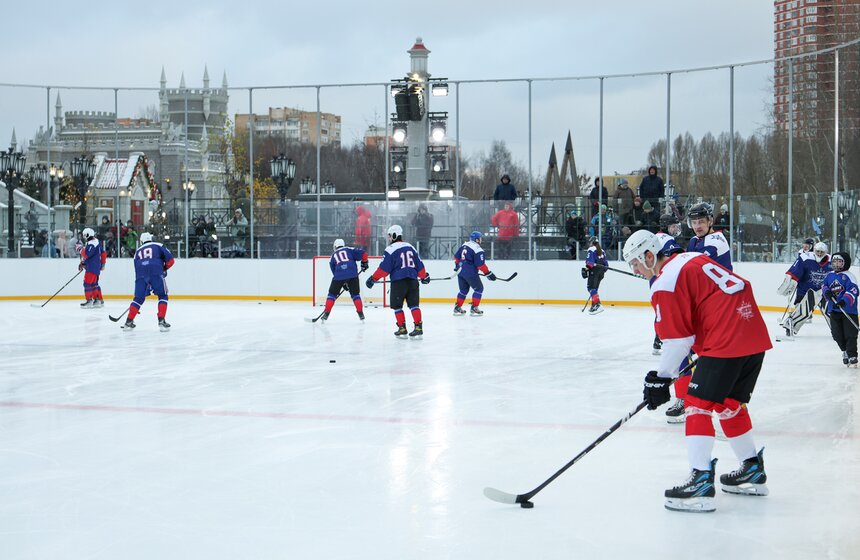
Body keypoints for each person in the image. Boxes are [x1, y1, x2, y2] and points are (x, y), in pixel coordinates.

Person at [623, 229, 772, 513]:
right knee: (728, 404)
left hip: (726, 339)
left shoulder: (664, 280)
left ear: (649, 256)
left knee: (696, 406)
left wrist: (660, 378)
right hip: (752, 334)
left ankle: (700, 480)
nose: (636, 271)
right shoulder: (691, 258)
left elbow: (677, 340)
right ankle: (751, 469)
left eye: (635, 264)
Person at [366, 225, 429, 338]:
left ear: (394, 235)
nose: (389, 238)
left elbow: (384, 269)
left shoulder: (390, 250)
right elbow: (419, 265)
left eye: (390, 236)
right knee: (414, 305)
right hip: (413, 281)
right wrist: (424, 276)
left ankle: (402, 328)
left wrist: (373, 278)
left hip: (398, 282)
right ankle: (418, 327)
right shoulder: (411, 247)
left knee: (397, 306)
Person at [777, 240, 832, 339]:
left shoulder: (831, 261)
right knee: (802, 311)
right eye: (817, 251)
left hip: (823, 290)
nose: (819, 254)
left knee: (831, 311)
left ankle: (839, 329)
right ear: (814, 250)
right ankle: (790, 327)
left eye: (822, 252)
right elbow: (795, 270)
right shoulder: (806, 257)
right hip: (806, 290)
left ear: (826, 252)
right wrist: (791, 279)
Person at [123, 232, 175, 332]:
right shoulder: (158, 245)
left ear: (142, 241)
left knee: (138, 299)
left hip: (141, 275)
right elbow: (171, 261)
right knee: (163, 296)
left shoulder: (137, 252)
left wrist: (146, 282)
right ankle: (161, 321)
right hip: (156, 272)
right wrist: (163, 269)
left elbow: (137, 269)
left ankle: (128, 322)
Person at [652, 214, 685, 357]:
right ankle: (663, 339)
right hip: (667, 280)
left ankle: (658, 341)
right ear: (666, 226)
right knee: (669, 309)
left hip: (656, 279)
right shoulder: (667, 239)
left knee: (661, 309)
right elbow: (679, 256)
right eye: (673, 226)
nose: (675, 229)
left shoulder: (654, 237)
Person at [822, 252, 859, 366]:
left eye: (839, 261)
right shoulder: (829, 275)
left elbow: (854, 290)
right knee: (836, 334)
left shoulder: (849, 276)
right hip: (834, 310)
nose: (836, 264)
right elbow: (824, 286)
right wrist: (827, 292)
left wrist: (844, 301)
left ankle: (852, 354)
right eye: (834, 261)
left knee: (850, 333)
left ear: (845, 263)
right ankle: (845, 351)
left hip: (848, 310)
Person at [320, 238, 369, 322]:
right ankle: (361, 314)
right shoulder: (350, 250)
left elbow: (334, 272)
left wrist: (342, 283)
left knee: (332, 294)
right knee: (355, 295)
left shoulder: (332, 256)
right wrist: (364, 263)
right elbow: (364, 254)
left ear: (335, 246)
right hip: (353, 275)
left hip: (339, 276)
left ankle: (326, 313)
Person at [453, 231, 497, 316]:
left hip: (460, 271)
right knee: (479, 289)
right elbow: (480, 265)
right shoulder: (478, 249)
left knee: (463, 290)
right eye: (480, 238)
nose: (481, 240)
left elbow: (456, 257)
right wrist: (488, 273)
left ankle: (457, 308)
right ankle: (474, 308)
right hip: (470, 272)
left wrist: (457, 266)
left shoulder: (464, 245)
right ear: (477, 239)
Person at [686, 202, 732, 270]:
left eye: (701, 222)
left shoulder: (715, 243)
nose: (697, 226)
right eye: (694, 222)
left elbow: (692, 269)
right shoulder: (694, 240)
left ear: (710, 221)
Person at [78, 227, 106, 309]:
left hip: (92, 267)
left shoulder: (92, 244)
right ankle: (98, 300)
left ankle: (89, 301)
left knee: (87, 283)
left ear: (88, 235)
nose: (84, 237)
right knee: (94, 284)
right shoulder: (94, 243)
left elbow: (87, 254)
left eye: (84, 235)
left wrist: (80, 249)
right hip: (94, 266)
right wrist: (83, 263)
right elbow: (102, 253)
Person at [582, 236, 608, 315]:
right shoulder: (602, 251)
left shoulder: (591, 250)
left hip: (594, 271)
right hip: (601, 272)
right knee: (594, 289)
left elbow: (590, 263)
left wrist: (587, 268)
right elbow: (606, 265)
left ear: (591, 242)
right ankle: (594, 306)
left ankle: (597, 304)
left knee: (590, 288)